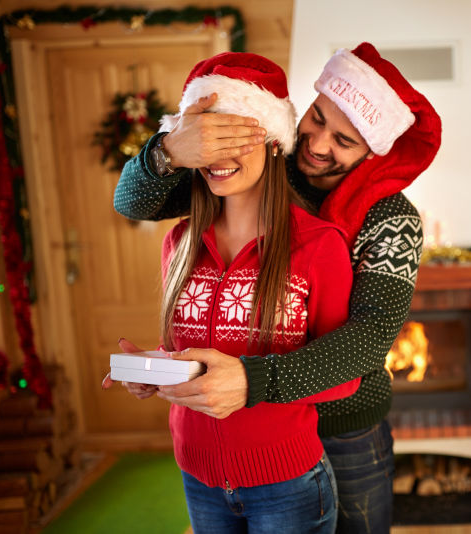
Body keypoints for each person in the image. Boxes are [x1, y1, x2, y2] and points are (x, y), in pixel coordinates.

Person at [111, 43, 442, 534]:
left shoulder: (390, 218)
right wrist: (168, 151)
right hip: (248, 435)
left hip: (345, 428)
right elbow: (133, 203)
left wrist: (252, 381)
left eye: (345, 141)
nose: (319, 143)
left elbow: (370, 338)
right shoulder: (260, 164)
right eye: (318, 118)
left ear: (372, 153)